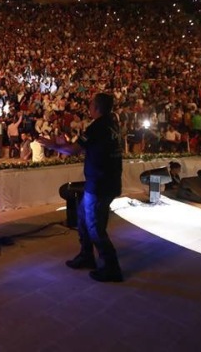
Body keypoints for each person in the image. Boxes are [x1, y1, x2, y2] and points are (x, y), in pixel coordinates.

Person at [39, 93, 124, 282]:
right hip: (106, 181)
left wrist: (54, 145)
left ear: (97, 107)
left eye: (91, 104)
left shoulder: (97, 127)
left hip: (100, 184)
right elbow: (89, 147)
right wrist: (65, 144)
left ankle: (111, 267)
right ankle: (87, 255)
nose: (88, 106)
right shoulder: (112, 124)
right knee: (83, 218)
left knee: (94, 226)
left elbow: (73, 150)